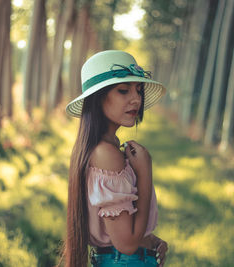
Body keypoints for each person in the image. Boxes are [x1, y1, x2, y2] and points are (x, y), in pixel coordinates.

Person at [63, 50, 168, 267]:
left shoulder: (105, 148)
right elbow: (127, 244)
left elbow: (118, 229)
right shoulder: (106, 154)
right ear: (97, 98)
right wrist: (145, 172)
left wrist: (150, 240)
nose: (136, 99)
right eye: (123, 91)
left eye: (139, 91)